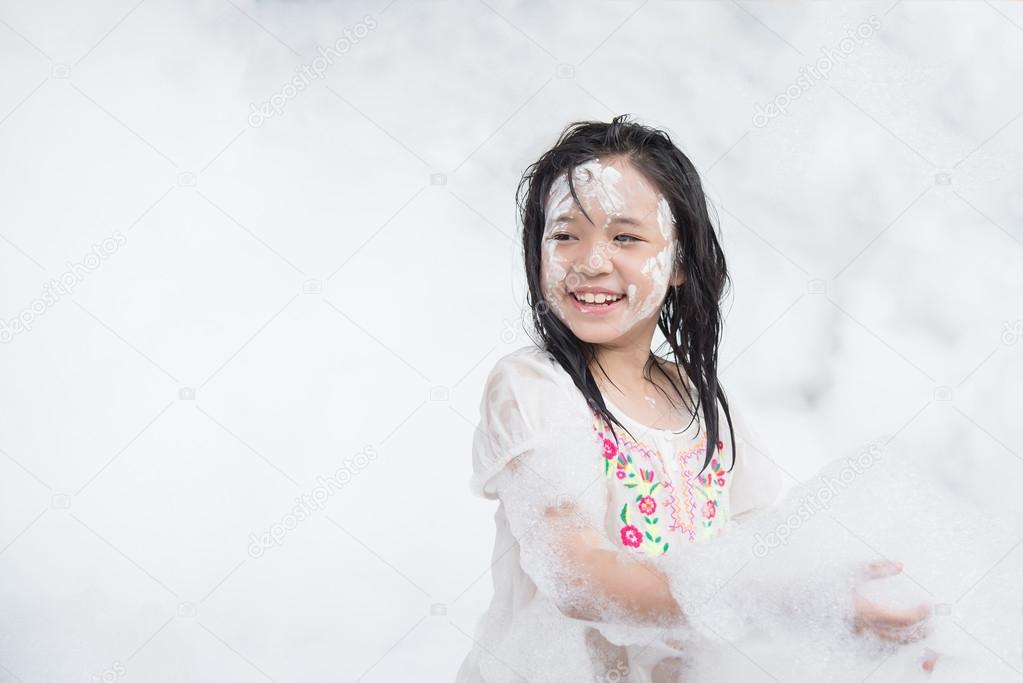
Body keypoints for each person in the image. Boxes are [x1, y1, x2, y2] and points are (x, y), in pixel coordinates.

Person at [456, 115, 935, 682]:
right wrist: (782, 601)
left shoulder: (698, 399)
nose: (590, 261)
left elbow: (759, 550)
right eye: (565, 234)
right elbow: (576, 576)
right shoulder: (534, 389)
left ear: (680, 261)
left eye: (626, 236)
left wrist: (833, 615)